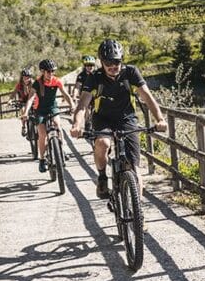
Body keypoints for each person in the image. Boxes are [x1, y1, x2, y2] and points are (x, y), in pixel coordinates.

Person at [70, 39, 167, 198]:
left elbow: (148, 97)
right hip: (103, 118)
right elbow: (82, 105)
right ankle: (102, 177)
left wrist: (160, 119)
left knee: (134, 167)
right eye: (108, 62)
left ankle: (137, 212)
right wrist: (76, 125)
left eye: (117, 61)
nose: (113, 66)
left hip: (127, 118)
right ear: (101, 62)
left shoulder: (131, 73)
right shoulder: (95, 77)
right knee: (103, 143)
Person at [21, 59, 74, 172]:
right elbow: (30, 99)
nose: (51, 74)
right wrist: (25, 112)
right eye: (48, 71)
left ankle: (62, 151)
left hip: (52, 107)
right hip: (40, 110)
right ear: (42, 71)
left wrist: (73, 106)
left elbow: (66, 94)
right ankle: (42, 159)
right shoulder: (37, 83)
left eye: (52, 71)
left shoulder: (56, 81)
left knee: (58, 126)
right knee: (42, 134)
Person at [12, 67, 37, 141]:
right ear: (22, 78)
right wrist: (10, 100)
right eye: (25, 77)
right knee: (23, 110)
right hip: (23, 101)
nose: (26, 79)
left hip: (32, 100)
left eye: (28, 77)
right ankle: (24, 127)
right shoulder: (19, 85)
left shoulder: (33, 83)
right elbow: (14, 93)